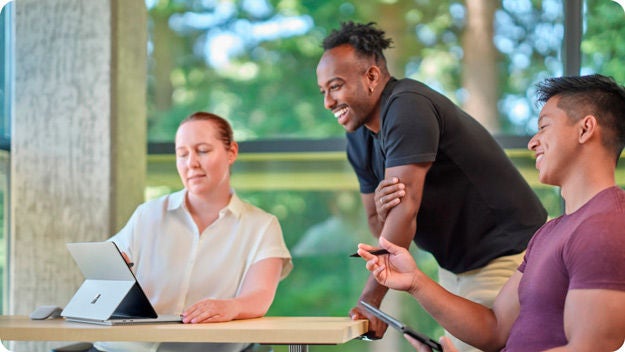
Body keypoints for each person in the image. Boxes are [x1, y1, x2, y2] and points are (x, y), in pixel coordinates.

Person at [315, 21, 547, 350]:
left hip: (509, 260)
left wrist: (370, 301)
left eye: (335, 86)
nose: (328, 101)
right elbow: (378, 223)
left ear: (371, 77)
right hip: (453, 269)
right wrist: (386, 212)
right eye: (323, 91)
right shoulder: (358, 138)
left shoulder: (407, 106)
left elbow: (403, 215)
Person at [359, 74, 625, 351]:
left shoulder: (605, 227)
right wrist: (415, 282)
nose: (533, 143)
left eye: (544, 127)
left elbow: (590, 348)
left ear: (585, 129)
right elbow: (494, 328)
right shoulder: (549, 233)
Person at [92, 112, 293, 352]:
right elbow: (103, 269)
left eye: (203, 151)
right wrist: (113, 269)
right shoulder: (148, 215)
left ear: (232, 152)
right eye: (182, 154)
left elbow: (259, 295)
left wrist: (231, 307)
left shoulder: (261, 226)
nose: (191, 163)